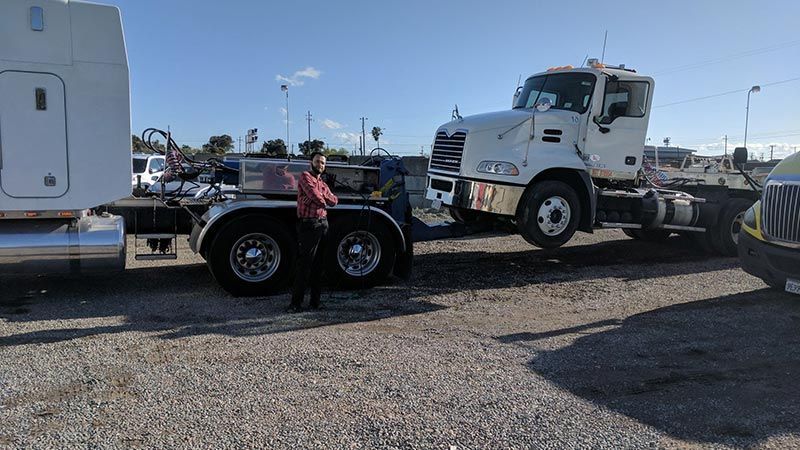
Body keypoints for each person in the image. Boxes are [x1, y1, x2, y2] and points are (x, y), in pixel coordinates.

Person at [289, 152, 338, 312]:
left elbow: (334, 201)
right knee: (305, 265)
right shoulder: (305, 176)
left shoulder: (322, 182)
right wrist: (321, 198)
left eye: (323, 163)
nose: (320, 165)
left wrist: (320, 198)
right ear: (311, 162)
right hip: (309, 225)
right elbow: (315, 195)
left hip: (323, 224)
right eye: (318, 161)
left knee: (319, 265)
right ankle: (295, 304)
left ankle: (315, 302)